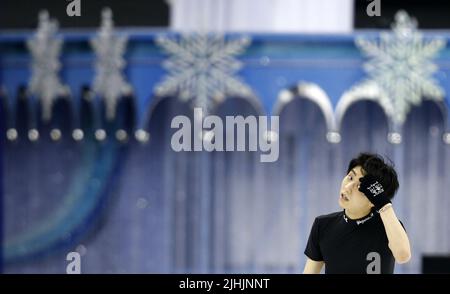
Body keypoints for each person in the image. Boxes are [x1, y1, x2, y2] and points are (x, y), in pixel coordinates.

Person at [303, 153, 411, 274]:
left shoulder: (389, 227)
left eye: (360, 186)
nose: (347, 187)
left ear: (374, 198)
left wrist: (384, 204)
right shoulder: (322, 225)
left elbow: (403, 256)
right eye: (350, 177)